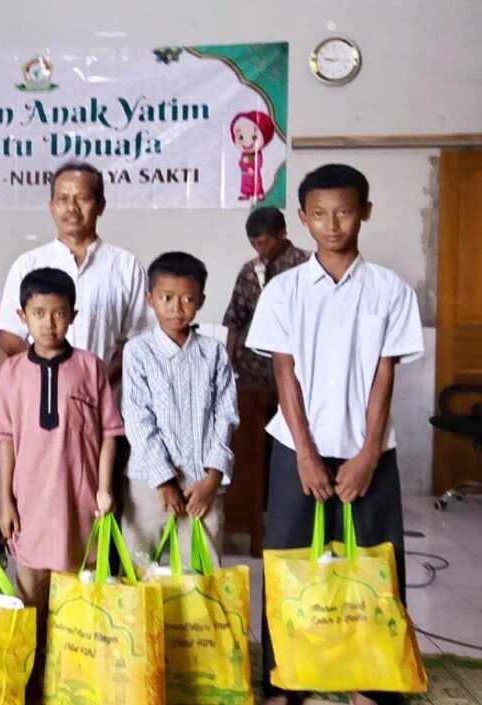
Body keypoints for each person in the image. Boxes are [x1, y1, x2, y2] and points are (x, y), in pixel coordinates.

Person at [246, 164, 424, 705]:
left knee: (377, 557)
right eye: (319, 214)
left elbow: (383, 376)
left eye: (344, 211)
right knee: (287, 559)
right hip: (295, 446)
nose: (332, 224)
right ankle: (287, 678)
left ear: (365, 211)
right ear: (302, 218)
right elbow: (285, 373)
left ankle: (371, 679)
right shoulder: (284, 290)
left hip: (368, 449)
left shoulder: (390, 291)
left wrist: (369, 453)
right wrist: (304, 454)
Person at [0, 267, 124, 698]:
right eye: (39, 313)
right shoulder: (11, 373)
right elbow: (5, 443)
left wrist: (105, 490)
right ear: (22, 316)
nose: (49, 323)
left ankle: (72, 682)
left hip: (80, 502)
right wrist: (6, 502)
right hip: (28, 504)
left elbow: (108, 433)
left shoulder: (90, 367)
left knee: (77, 601)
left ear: (73, 316)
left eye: (60, 314)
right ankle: (30, 683)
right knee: (31, 600)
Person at [121, 252, 239, 565]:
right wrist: (163, 480)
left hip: (202, 484)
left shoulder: (213, 353)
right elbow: (137, 418)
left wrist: (212, 480)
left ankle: (197, 617)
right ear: (150, 299)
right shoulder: (138, 352)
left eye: (187, 298)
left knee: (201, 574)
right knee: (140, 568)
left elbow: (225, 418)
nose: (176, 308)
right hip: (149, 484)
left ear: (201, 300)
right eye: (167, 298)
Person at [0, 161, 151, 386]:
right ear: (51, 206)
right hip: (41, 396)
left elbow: (140, 340)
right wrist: (49, 377)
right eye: (63, 199)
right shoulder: (27, 264)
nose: (72, 208)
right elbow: (10, 336)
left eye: (83, 199)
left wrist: (98, 384)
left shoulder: (127, 267)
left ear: (101, 206)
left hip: (106, 401)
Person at [223, 207, 309, 391]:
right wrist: (229, 363)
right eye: (253, 243)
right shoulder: (249, 271)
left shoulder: (307, 267)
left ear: (283, 233)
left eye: (264, 242)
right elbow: (235, 319)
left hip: (296, 366)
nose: (258, 249)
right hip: (252, 369)